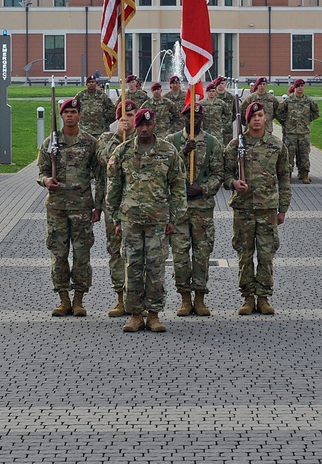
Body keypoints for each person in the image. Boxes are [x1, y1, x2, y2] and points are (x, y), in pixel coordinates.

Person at [105, 108, 187, 333]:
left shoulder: (168, 152)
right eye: (140, 124)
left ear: (154, 126)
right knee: (132, 267)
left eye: (148, 125)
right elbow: (114, 187)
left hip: (158, 222)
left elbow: (178, 186)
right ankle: (134, 315)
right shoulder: (122, 152)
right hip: (130, 221)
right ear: (135, 126)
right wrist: (115, 219)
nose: (144, 128)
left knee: (155, 269)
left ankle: (153, 314)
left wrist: (175, 218)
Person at [38, 97, 103, 317]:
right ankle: (63, 298)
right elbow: (42, 171)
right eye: (66, 112)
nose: (69, 116)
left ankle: (79, 300)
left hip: (82, 208)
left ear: (79, 115)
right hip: (57, 208)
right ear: (61, 115)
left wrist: (99, 207)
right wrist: (46, 180)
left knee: (82, 255)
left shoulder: (90, 142)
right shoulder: (51, 143)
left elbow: (101, 176)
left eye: (74, 112)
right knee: (59, 255)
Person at [224, 101, 291, 315]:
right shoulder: (235, 145)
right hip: (243, 209)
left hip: (267, 209)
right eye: (253, 116)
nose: (256, 119)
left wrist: (283, 208)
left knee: (266, 254)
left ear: (265, 118)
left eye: (260, 115)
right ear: (246, 119)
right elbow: (224, 174)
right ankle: (247, 297)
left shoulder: (276, 145)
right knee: (244, 254)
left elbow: (284, 177)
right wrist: (233, 183)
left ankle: (263, 297)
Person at [166, 101, 223, 316]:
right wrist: (183, 152)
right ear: (184, 118)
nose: (194, 120)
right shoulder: (171, 142)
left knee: (202, 254)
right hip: (178, 209)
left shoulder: (212, 143)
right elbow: (164, 170)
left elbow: (219, 173)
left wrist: (203, 188)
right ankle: (184, 298)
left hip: (202, 210)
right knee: (180, 255)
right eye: (190, 117)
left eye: (198, 117)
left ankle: (200, 297)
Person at [96, 100, 137, 317]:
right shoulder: (106, 138)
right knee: (116, 251)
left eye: (131, 115)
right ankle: (120, 297)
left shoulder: (142, 138)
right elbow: (105, 160)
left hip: (138, 206)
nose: (127, 120)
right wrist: (116, 136)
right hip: (114, 207)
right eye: (123, 116)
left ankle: (137, 299)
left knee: (138, 254)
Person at [276, 78, 320, 183]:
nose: (300, 88)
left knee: (304, 155)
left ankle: (304, 174)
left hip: (303, 133)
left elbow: (316, 112)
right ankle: (288, 175)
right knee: (288, 155)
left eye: (302, 86)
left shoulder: (308, 100)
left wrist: (307, 120)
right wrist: (285, 122)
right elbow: (279, 112)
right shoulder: (288, 100)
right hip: (290, 133)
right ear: (295, 87)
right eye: (298, 86)